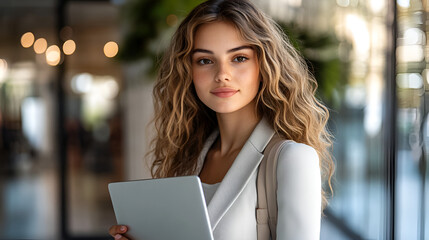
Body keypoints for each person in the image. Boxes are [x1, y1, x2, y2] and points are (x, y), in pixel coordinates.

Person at [109, 0, 334, 239]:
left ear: (265, 64)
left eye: (239, 58)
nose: (222, 75)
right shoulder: (189, 157)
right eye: (205, 60)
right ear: (189, 71)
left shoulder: (291, 159)